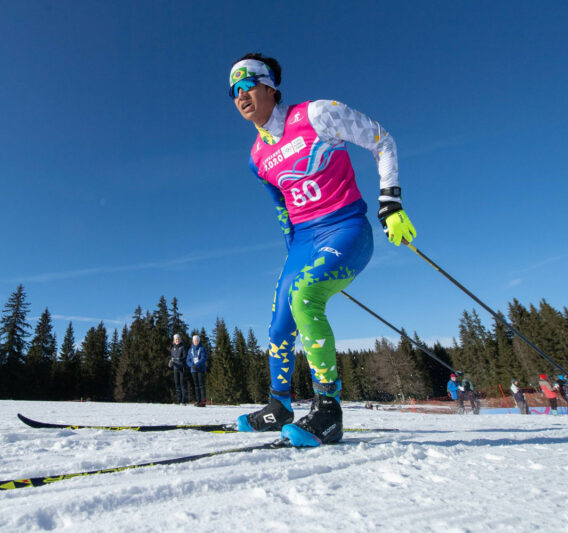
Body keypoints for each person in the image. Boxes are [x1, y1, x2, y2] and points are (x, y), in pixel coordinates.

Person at [229, 53, 416, 447]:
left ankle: (329, 410)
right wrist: (292, 250)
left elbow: (382, 141)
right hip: (302, 242)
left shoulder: (316, 114)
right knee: (280, 322)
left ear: (270, 87)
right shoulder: (256, 158)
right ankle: (279, 406)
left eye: (247, 84)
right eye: (233, 90)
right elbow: (281, 204)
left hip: (346, 227)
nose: (240, 95)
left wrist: (391, 202)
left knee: (305, 297)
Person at [187, 334, 207, 407]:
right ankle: (198, 400)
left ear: (199, 341)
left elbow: (203, 358)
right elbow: (188, 360)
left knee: (201, 385)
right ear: (193, 341)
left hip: (200, 369)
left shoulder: (202, 348)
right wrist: (192, 365)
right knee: (196, 385)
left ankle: (203, 401)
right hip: (193, 370)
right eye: (195, 340)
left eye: (197, 340)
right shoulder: (190, 350)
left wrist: (197, 365)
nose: (196, 341)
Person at [169, 334, 188, 405]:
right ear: (174, 340)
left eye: (178, 339)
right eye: (176, 339)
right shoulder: (173, 348)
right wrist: (171, 362)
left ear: (180, 339)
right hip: (175, 368)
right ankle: (178, 399)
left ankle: (183, 400)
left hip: (182, 367)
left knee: (182, 384)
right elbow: (172, 358)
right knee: (177, 384)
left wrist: (180, 359)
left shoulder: (182, 347)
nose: (177, 340)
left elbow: (185, 356)